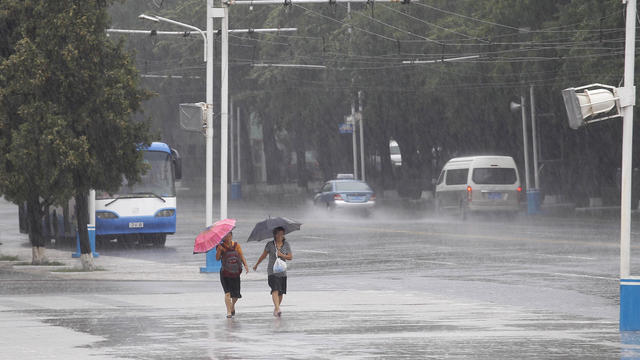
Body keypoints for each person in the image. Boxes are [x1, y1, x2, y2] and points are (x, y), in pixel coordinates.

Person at [253, 226, 293, 317]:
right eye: (279, 234)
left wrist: (282, 255)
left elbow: (290, 257)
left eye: (282, 234)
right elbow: (263, 256)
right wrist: (256, 264)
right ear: (275, 234)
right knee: (275, 289)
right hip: (272, 271)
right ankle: (278, 308)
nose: (281, 235)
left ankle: (276, 308)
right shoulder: (270, 244)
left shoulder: (286, 244)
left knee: (281, 292)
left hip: (282, 271)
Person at [216, 231, 249, 318]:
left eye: (229, 235)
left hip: (235, 272)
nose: (227, 237)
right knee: (227, 293)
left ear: (231, 236)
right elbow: (217, 258)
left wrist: (245, 265)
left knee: (236, 295)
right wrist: (219, 250)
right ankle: (228, 312)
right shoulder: (220, 246)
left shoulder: (236, 245)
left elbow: (241, 255)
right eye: (226, 236)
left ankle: (232, 305)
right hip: (224, 273)